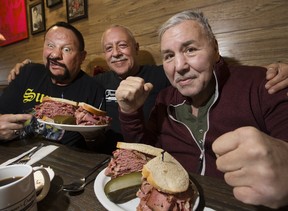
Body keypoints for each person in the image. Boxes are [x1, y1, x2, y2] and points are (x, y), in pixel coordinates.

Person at [115, 10, 288, 208]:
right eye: (169, 56)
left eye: (190, 49)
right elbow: (144, 157)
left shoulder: (263, 84)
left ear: (215, 49)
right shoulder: (164, 100)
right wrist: (129, 112)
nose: (179, 66)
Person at [0, 22, 105, 149]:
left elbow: (96, 146)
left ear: (82, 57)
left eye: (66, 49)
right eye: (50, 45)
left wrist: (92, 137)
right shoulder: (27, 72)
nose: (55, 55)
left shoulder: (93, 89)